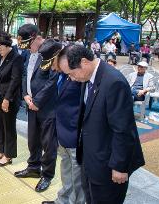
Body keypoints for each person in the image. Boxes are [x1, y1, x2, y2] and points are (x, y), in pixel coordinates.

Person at [58, 45, 145, 204]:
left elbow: (123, 129)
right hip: (90, 160)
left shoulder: (114, 82)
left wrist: (120, 166)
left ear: (84, 62)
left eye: (71, 73)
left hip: (108, 167)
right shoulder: (88, 77)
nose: (71, 78)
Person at [14, 26, 59, 193]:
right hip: (31, 104)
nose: (28, 48)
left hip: (47, 107)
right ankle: (33, 167)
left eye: (29, 44)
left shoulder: (50, 51)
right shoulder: (29, 53)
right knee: (33, 139)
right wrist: (25, 94)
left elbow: (52, 81)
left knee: (48, 143)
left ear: (35, 37)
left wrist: (38, 101)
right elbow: (26, 74)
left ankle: (47, 175)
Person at [42, 45, 85, 204]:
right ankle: (63, 200)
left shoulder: (78, 75)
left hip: (74, 132)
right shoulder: (63, 75)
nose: (53, 68)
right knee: (66, 170)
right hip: (62, 131)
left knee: (77, 175)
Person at [0, 31, 23, 166]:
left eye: (1, 48)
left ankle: (8, 154)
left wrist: (7, 99)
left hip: (10, 98)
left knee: (9, 126)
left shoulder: (16, 57)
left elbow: (15, 80)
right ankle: (0, 150)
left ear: (7, 44)